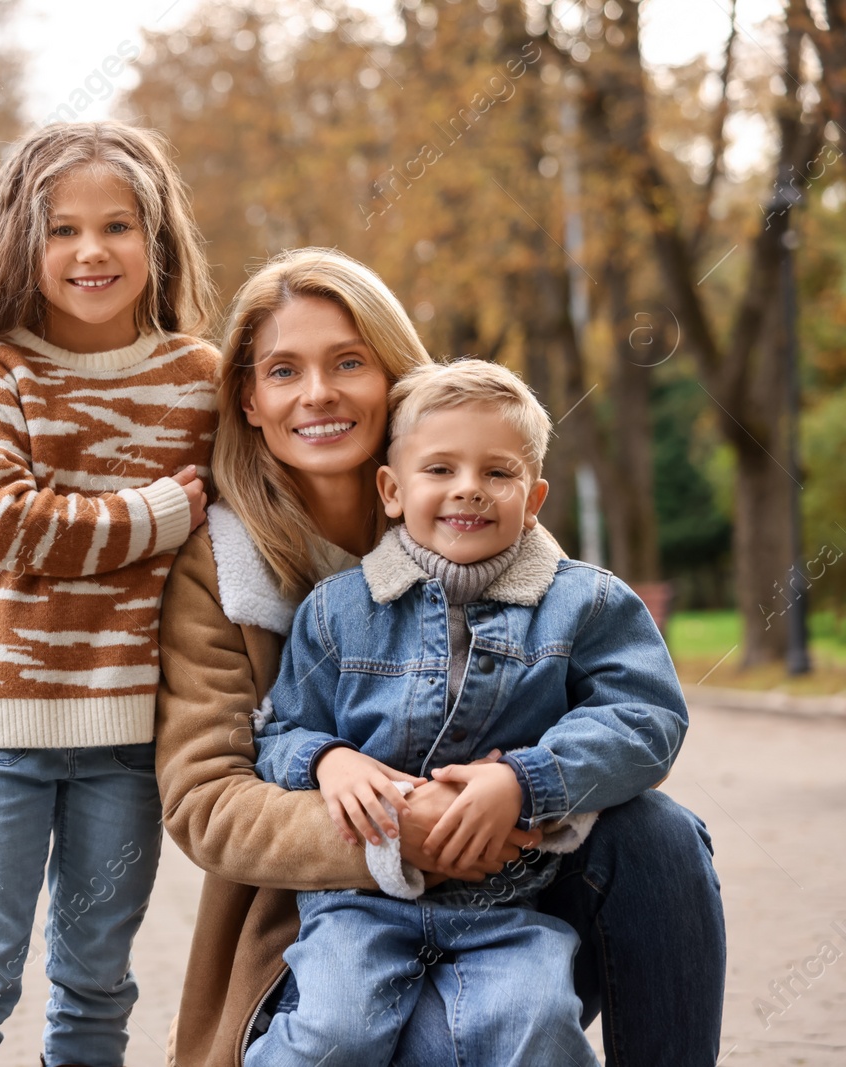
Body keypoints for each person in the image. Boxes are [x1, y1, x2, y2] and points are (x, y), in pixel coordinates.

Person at [154, 247, 725, 1066]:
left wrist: (523, 786)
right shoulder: (235, 573)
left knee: (660, 836)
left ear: (392, 373)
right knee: (365, 1033)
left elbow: (632, 712)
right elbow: (210, 797)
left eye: (348, 361)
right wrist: (387, 822)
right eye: (284, 370)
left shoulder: (503, 532)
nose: (317, 393)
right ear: (250, 399)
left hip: (509, 900)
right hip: (331, 917)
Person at [245, 357, 687, 1065]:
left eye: (498, 473)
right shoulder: (336, 610)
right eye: (441, 469)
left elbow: (645, 719)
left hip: (509, 903)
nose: (469, 491)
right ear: (391, 489)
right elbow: (279, 729)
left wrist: (526, 780)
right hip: (359, 900)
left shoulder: (585, 603)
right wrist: (328, 759)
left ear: (534, 496)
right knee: (335, 1031)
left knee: (536, 1021)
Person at [0, 120, 218, 1066]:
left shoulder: (197, 380)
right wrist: (157, 514)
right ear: (22, 245)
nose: (91, 251)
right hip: (2, 737)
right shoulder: (1, 369)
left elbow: (241, 528)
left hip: (129, 739)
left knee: (95, 983)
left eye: (118, 226)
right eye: (62, 230)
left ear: (155, 241)